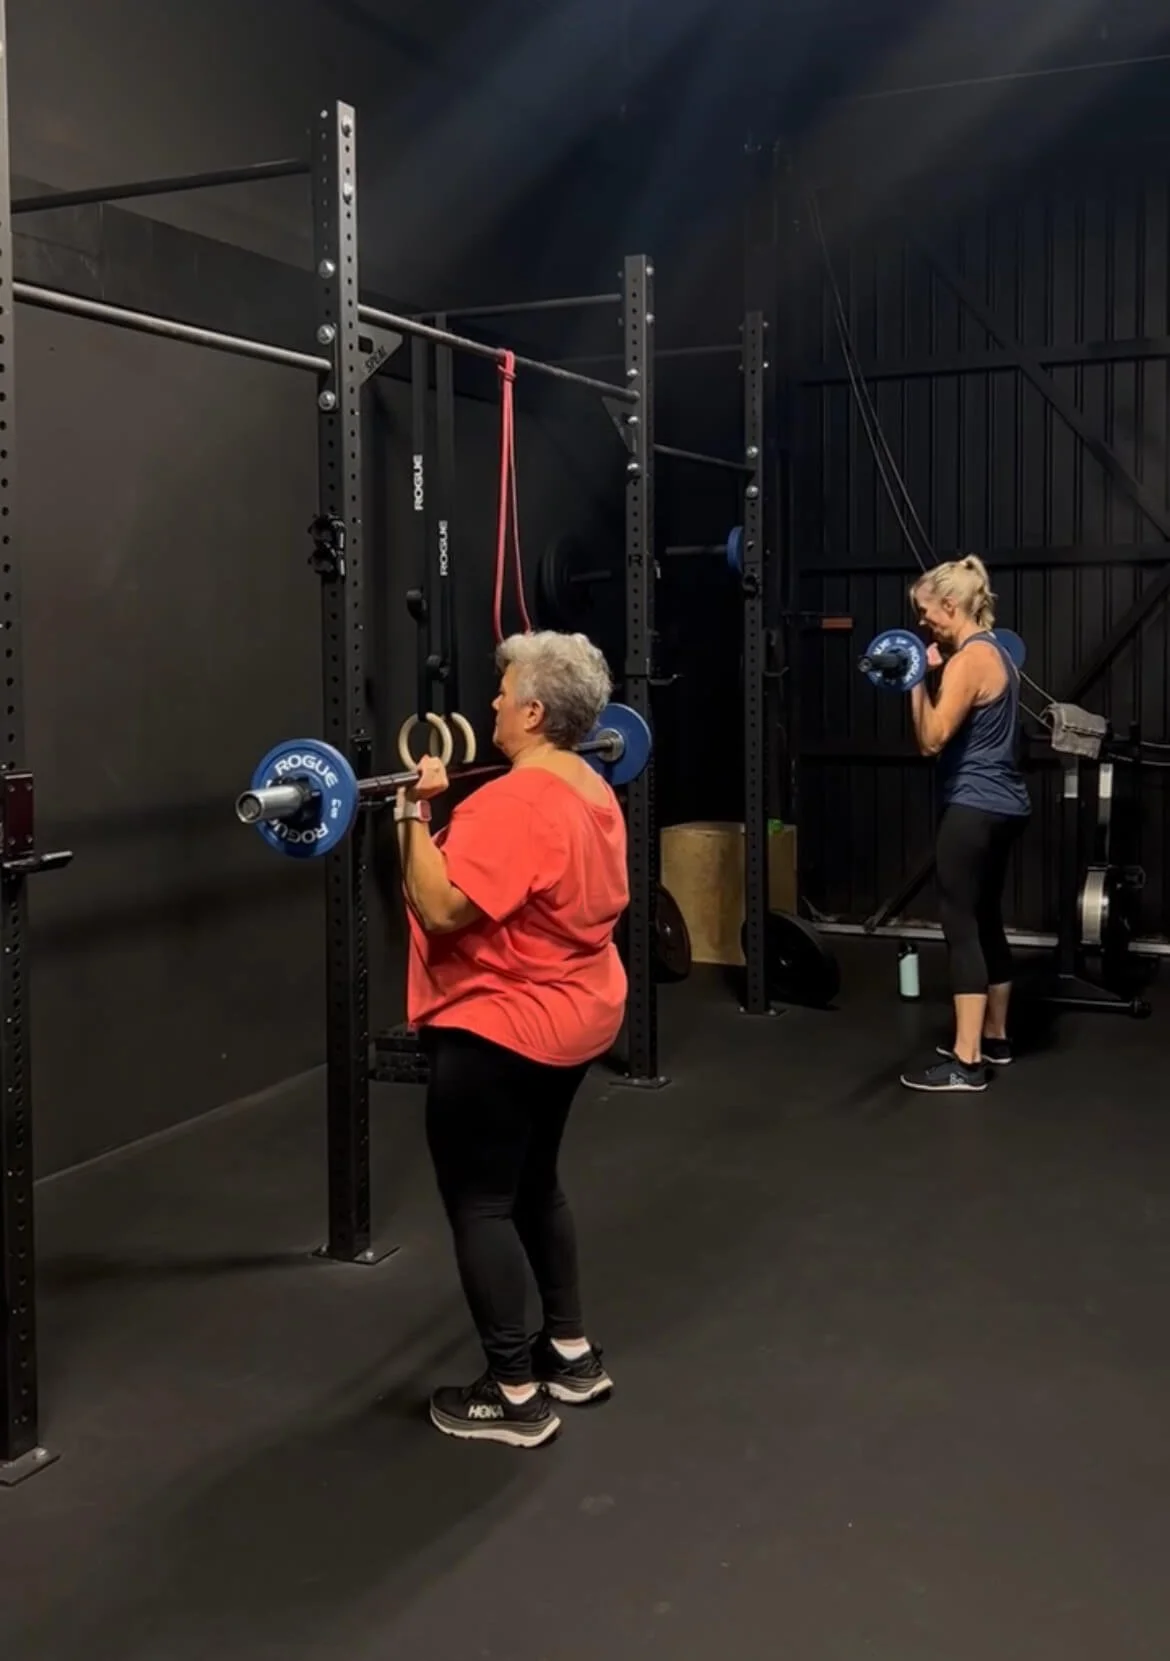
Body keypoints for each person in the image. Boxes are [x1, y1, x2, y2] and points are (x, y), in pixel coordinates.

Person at [395, 630, 629, 1447]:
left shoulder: (516, 801)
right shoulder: (592, 785)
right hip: (577, 1014)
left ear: (533, 710)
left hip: (506, 1025)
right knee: (535, 1182)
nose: (491, 702)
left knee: (481, 1202)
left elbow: (441, 905)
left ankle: (515, 1391)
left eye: (503, 693)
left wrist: (411, 813)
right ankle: (571, 1353)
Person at [901, 556, 1031, 1093]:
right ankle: (995, 1037)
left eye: (927, 613)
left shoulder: (967, 662)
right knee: (985, 917)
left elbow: (931, 739)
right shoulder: (999, 649)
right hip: (1006, 805)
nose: (922, 624)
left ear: (950, 606)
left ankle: (967, 1060)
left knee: (960, 926)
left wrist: (913, 680)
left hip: (973, 806)